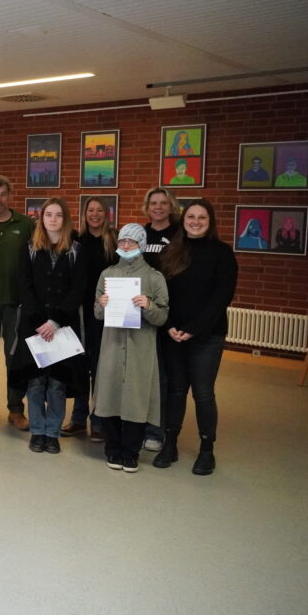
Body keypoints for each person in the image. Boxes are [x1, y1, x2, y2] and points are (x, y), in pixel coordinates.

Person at [156, 200, 237, 475]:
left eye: (202, 217)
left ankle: (206, 450)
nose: (196, 221)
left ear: (210, 221)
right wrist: (169, 326)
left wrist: (193, 328)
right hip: (173, 334)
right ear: (184, 220)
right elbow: (161, 294)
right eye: (191, 216)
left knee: (203, 393)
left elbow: (220, 298)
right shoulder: (171, 251)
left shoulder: (222, 254)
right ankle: (170, 443)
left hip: (207, 336)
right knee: (175, 390)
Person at [10, 197, 87, 454]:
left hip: (62, 327)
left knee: (57, 382)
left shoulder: (76, 249)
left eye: (58, 215)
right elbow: (24, 286)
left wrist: (56, 321)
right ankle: (38, 430)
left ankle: (52, 432)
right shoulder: (30, 248)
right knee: (35, 381)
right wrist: (40, 321)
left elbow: (78, 289)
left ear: (65, 219)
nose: (53, 219)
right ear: (41, 219)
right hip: (34, 326)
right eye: (48, 215)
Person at [93, 224, 169, 472]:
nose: (125, 246)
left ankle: (131, 451)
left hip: (140, 348)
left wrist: (148, 305)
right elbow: (97, 313)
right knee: (110, 396)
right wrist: (103, 304)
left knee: (136, 400)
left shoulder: (154, 278)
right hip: (113, 345)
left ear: (142, 245)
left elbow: (162, 317)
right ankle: (112, 448)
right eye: (122, 241)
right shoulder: (107, 275)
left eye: (132, 242)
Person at [0, 175, 35, 431]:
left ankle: (16, 409)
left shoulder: (25, 224)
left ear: (10, 196)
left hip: (16, 303)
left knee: (14, 358)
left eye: (2, 195)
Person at [62, 196, 117, 442]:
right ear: (84, 214)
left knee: (100, 367)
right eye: (90, 210)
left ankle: (98, 420)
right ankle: (77, 418)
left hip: (105, 313)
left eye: (99, 210)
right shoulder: (76, 241)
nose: (94, 214)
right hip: (80, 312)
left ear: (107, 214)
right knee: (80, 365)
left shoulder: (113, 240)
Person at [139, 186, 179, 451]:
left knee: (162, 375)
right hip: (139, 311)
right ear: (147, 206)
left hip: (165, 311)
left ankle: (157, 429)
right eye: (154, 202)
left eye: (163, 203)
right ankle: (137, 424)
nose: (158, 207)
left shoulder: (180, 235)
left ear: (170, 207)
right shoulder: (140, 234)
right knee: (142, 373)